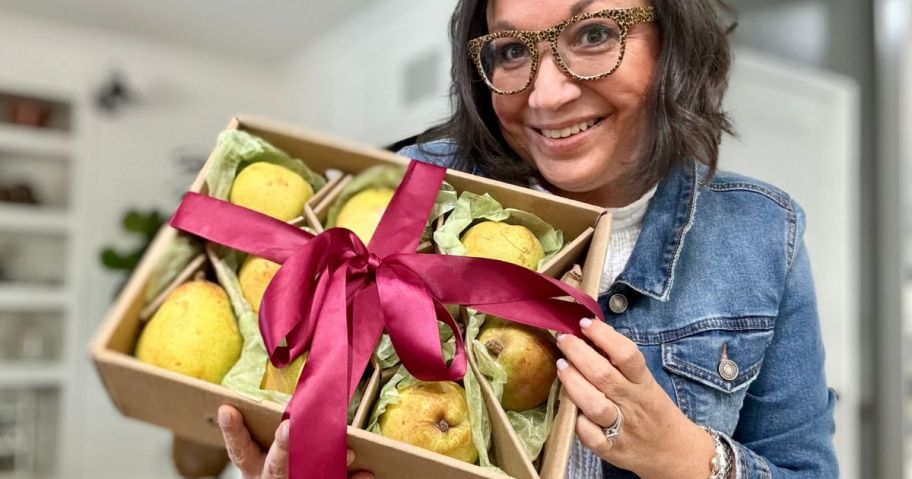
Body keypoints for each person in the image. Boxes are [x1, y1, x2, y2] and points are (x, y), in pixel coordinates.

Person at [219, 0, 839, 477]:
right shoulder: (408, 193)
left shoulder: (761, 234)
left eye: (594, 35)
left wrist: (685, 455)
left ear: (673, 39)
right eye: (512, 51)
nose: (546, 95)